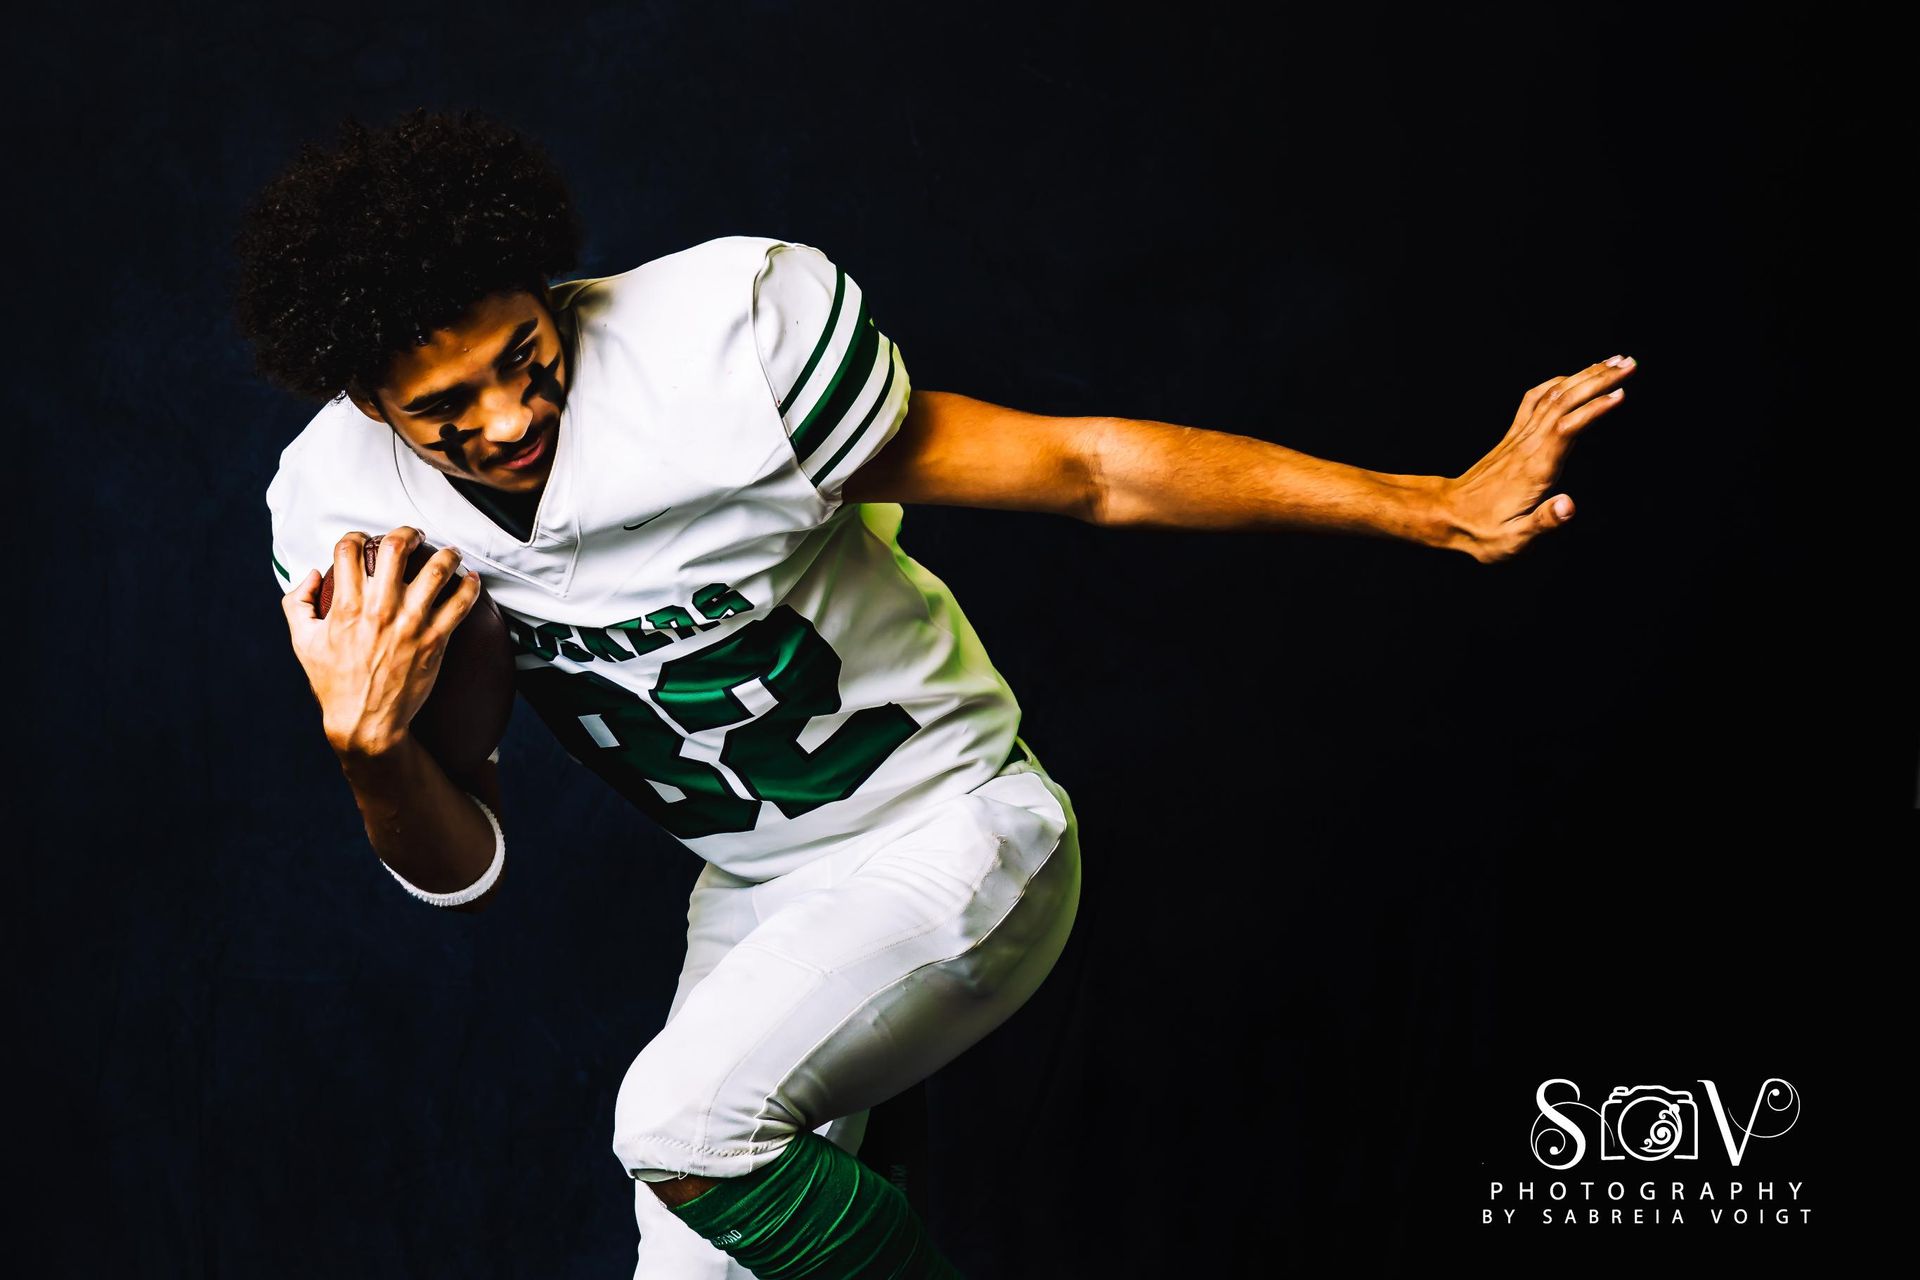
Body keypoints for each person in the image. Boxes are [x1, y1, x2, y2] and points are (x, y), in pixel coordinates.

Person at [236, 106, 1634, 1279]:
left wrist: (1425, 505)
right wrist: (367, 749)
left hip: (953, 831)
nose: (505, 419)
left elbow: (1083, 468)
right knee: (692, 1221)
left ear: (549, 296)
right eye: (445, 410)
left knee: (673, 1116)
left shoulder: (721, 353)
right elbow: (462, 852)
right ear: (371, 408)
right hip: (758, 897)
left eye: (521, 362)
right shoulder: (354, 516)